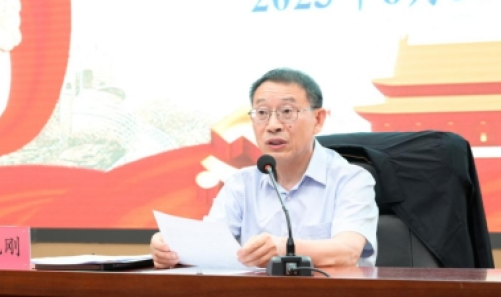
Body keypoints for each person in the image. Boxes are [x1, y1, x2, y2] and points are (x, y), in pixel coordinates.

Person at [150, 68, 378, 268]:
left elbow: (348, 252)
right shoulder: (240, 184)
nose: (273, 125)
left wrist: (285, 249)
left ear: (318, 120)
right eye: (262, 113)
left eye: (287, 112)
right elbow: (210, 247)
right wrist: (171, 248)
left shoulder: (352, 179)